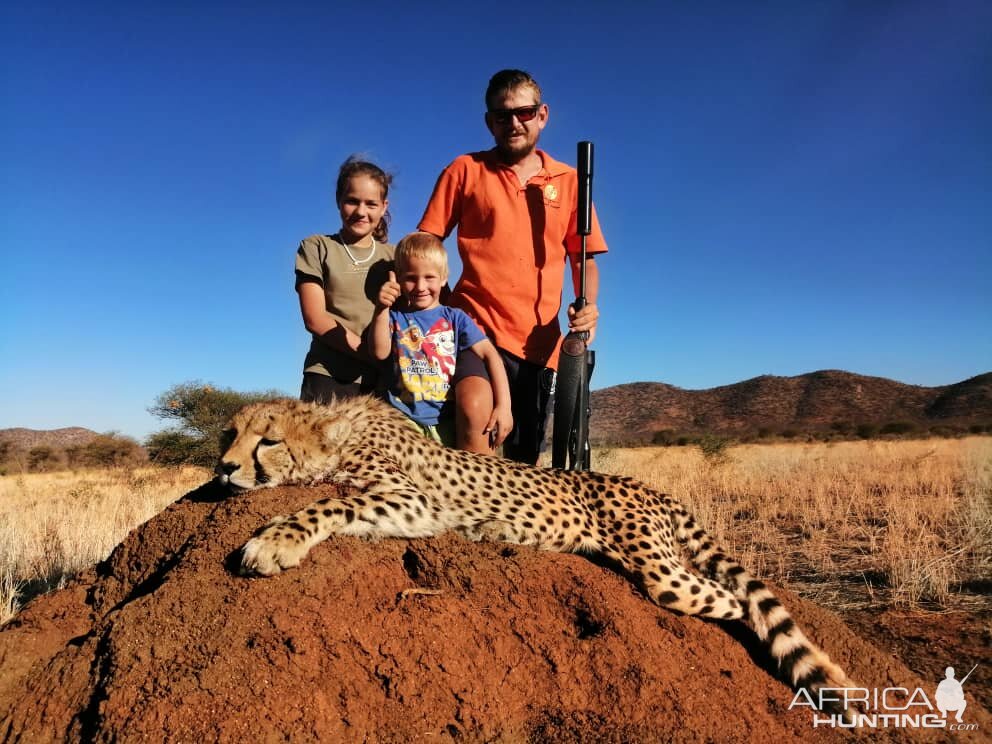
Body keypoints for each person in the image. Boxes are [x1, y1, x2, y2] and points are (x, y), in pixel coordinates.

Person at [418, 69, 608, 464]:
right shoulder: (465, 170)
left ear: (542, 115)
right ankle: (470, 522)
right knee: (476, 414)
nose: (514, 123)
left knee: (524, 456)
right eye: (502, 115)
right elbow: (428, 240)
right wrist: (435, 300)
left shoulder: (570, 181)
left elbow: (583, 257)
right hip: (473, 325)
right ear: (489, 121)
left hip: (538, 340)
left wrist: (587, 305)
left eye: (524, 112)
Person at [371, 232, 512, 448]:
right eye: (410, 278)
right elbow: (379, 351)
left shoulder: (455, 318)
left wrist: (504, 406)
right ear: (398, 278)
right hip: (401, 421)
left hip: (445, 420)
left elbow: (490, 354)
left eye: (429, 277)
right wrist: (381, 309)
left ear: (444, 277)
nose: (420, 286)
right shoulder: (394, 317)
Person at [295, 157, 395, 402]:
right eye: (352, 201)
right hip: (327, 377)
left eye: (371, 204)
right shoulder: (316, 247)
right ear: (339, 201)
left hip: (383, 384)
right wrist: (371, 354)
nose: (361, 212)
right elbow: (315, 319)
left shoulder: (395, 257)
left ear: (383, 207)